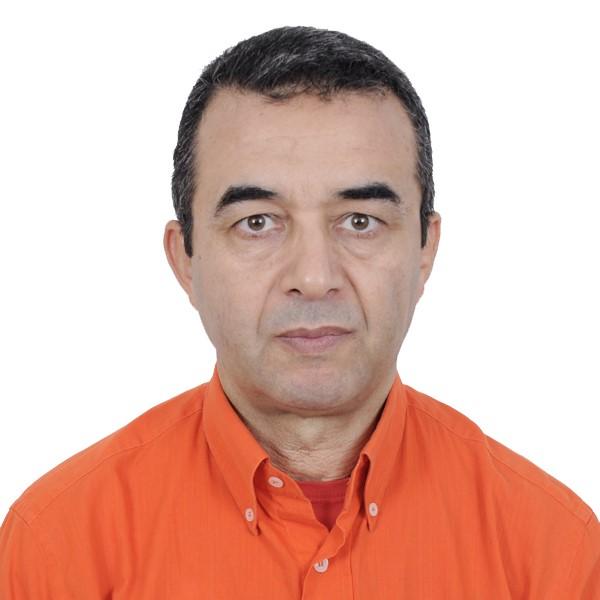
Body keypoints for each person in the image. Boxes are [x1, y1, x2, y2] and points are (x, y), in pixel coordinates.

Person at [1, 25, 598, 598]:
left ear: (425, 250)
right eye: (257, 222)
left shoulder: (553, 552)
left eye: (360, 221)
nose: (313, 279)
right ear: (185, 259)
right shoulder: (59, 547)